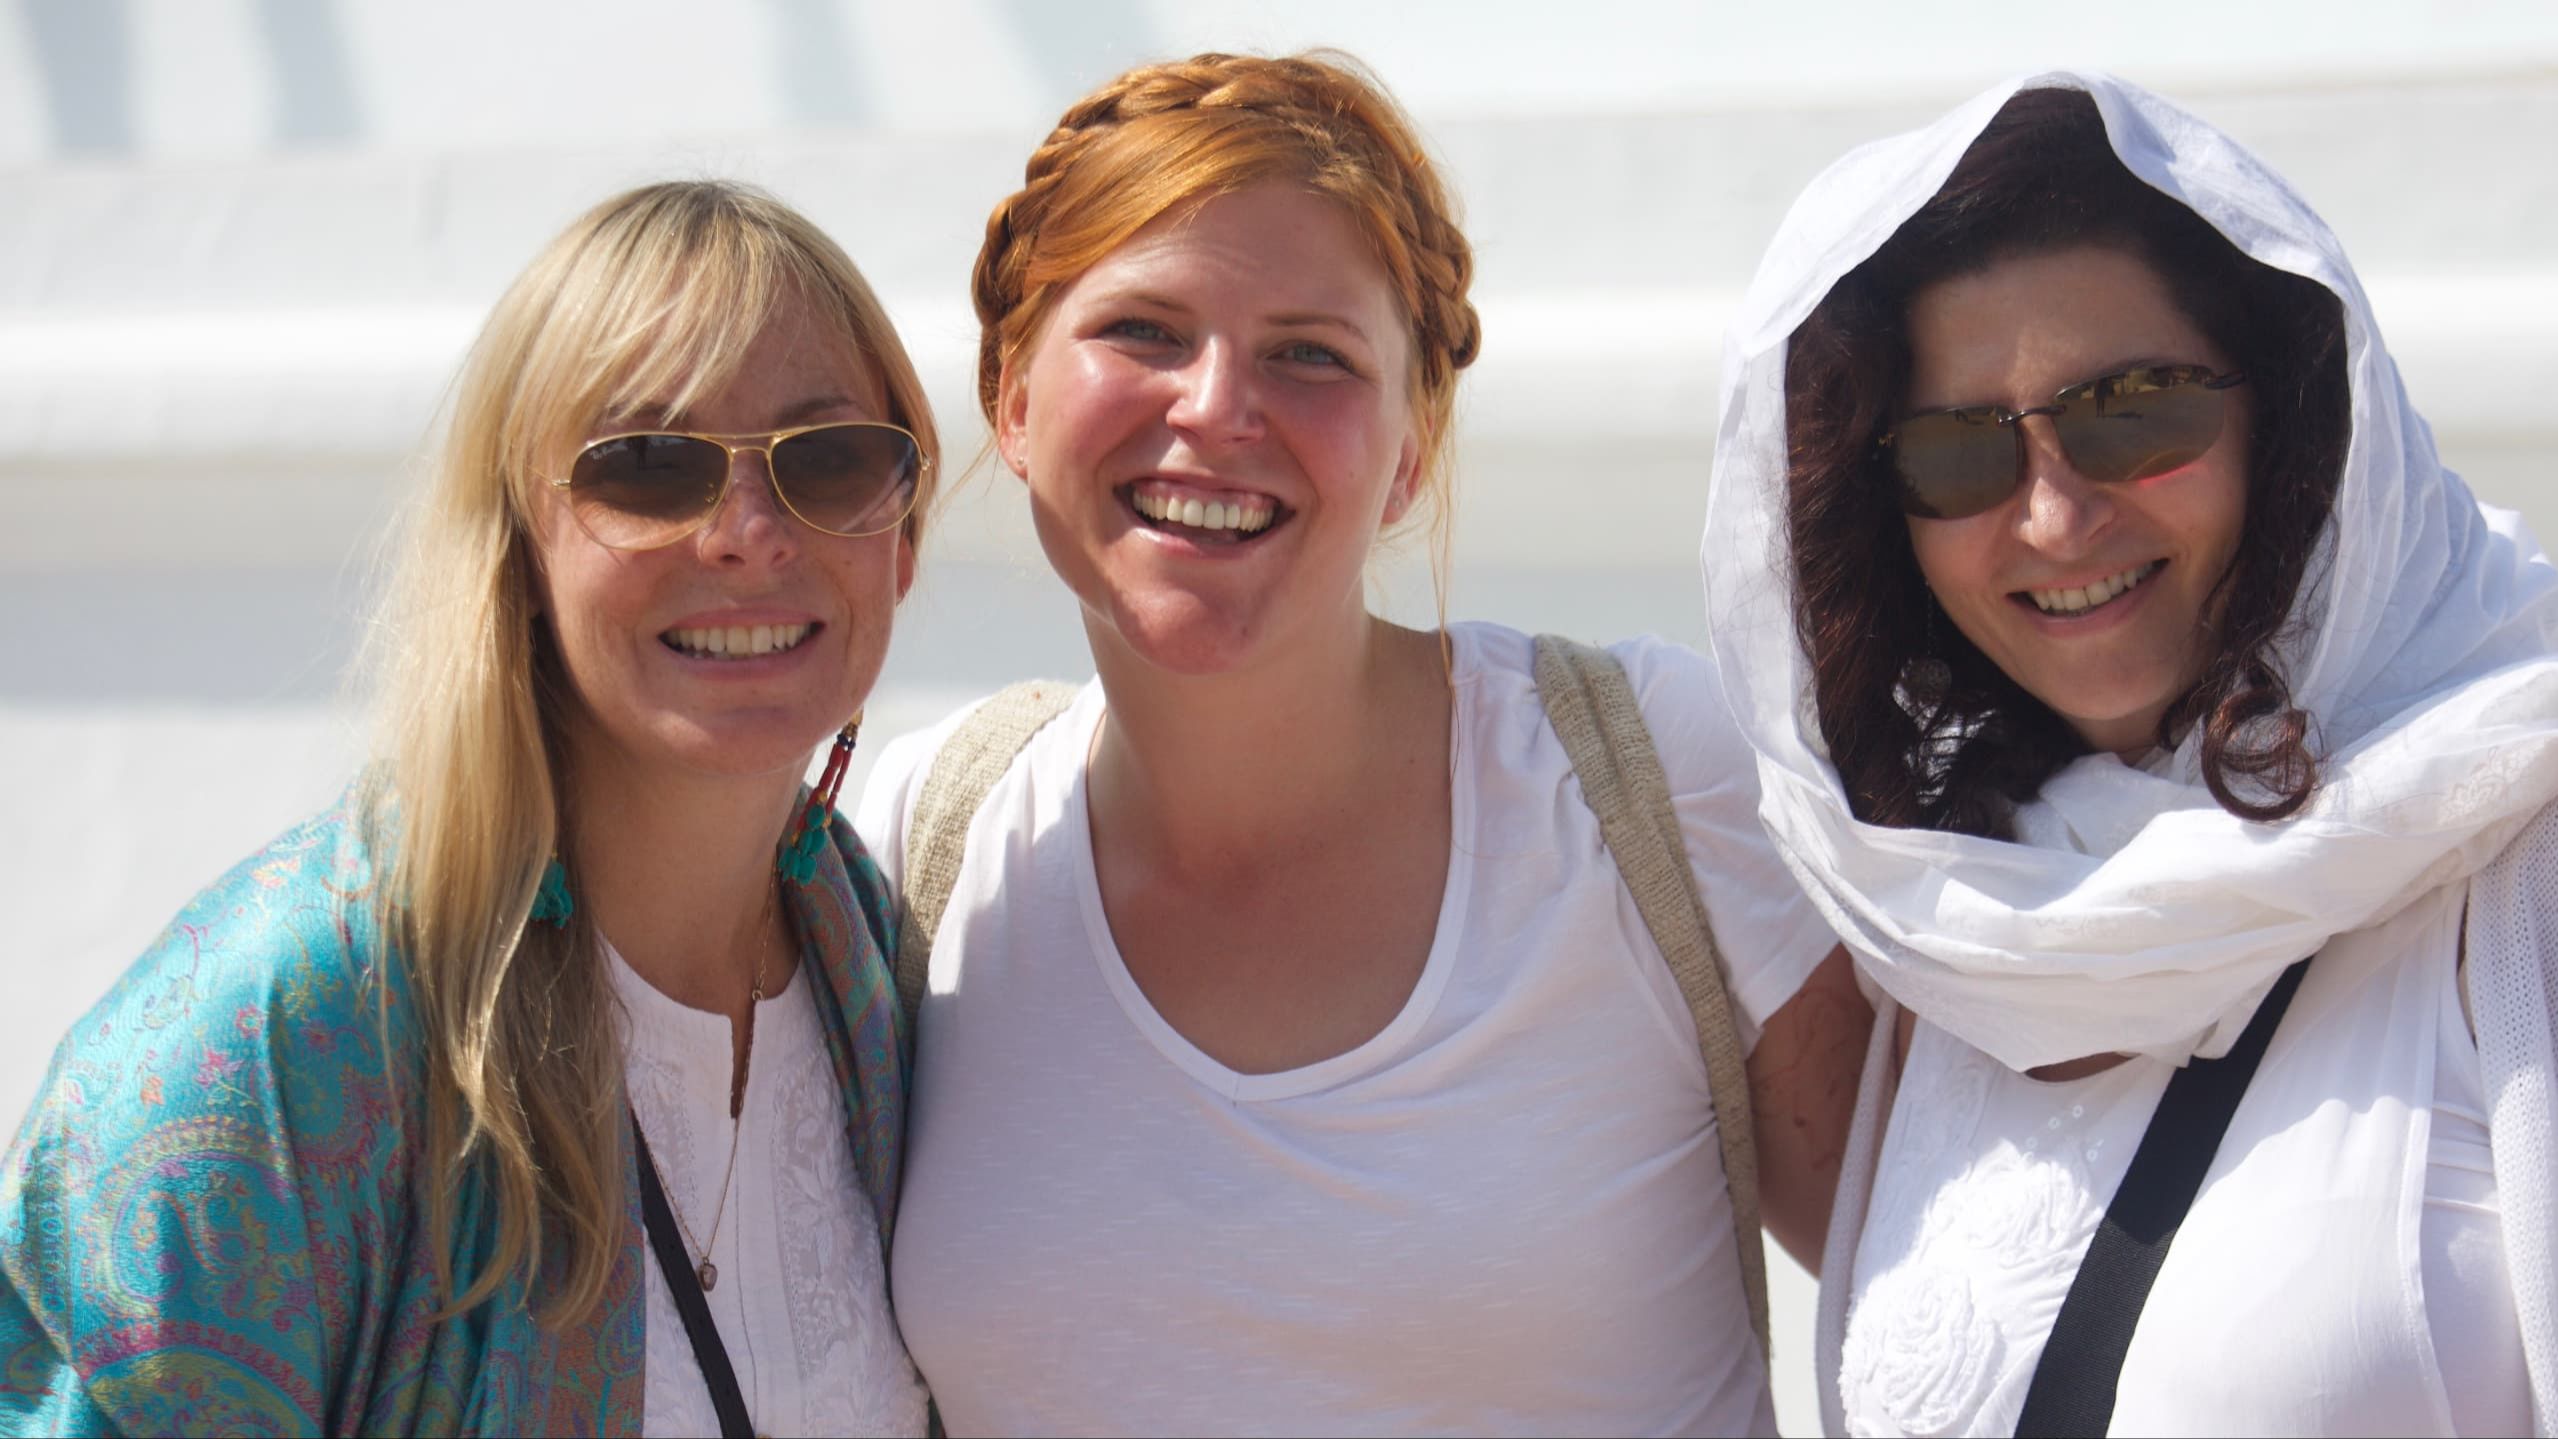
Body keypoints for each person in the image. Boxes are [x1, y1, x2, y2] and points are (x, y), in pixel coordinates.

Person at [854, 50, 1865, 1437]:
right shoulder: (915, 843)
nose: (1215, 406)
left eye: (1308, 354)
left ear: (1407, 451)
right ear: (1013, 402)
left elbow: (1989, 1287)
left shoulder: (1646, 777)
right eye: (1143, 329)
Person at [0, 181, 939, 1436]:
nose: (747, 532)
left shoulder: (865, 955)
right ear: (516, 548)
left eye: (828, 459)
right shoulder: (296, 1019)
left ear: (905, 535)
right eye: (649, 465)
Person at [1702, 75, 2558, 1435]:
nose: (2050, 514)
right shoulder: (1955, 927)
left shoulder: (2509, 839)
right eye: (1958, 452)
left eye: (2134, 409)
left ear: (2285, 417)